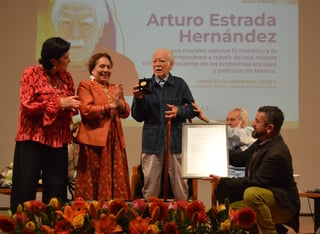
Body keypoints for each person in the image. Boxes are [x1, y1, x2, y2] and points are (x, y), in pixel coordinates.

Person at [10, 37, 81, 212]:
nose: (69, 60)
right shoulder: (31, 73)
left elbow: (69, 103)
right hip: (32, 139)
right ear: (53, 61)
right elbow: (27, 105)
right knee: (25, 187)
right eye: (66, 57)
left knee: (57, 190)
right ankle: (21, 226)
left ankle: (54, 227)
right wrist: (58, 103)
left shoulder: (66, 77)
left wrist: (69, 104)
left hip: (58, 140)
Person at [206, 106, 300, 234]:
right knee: (225, 214)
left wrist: (222, 180)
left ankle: (270, 231)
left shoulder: (276, 153)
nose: (253, 124)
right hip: (265, 199)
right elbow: (239, 159)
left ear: (270, 128)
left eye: (257, 121)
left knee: (252, 194)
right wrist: (217, 147)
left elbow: (253, 182)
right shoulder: (261, 143)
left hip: (283, 205)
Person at [131, 48, 198, 201]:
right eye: (155, 61)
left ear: (171, 65)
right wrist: (139, 99)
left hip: (176, 142)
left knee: (180, 187)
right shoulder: (145, 85)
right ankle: (150, 221)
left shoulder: (179, 84)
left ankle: (182, 220)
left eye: (162, 61)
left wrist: (179, 111)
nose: (157, 64)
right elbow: (137, 116)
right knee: (150, 186)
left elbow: (193, 109)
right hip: (152, 143)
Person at [49, 0, 138, 94]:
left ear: (100, 30)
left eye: (85, 24)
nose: (75, 34)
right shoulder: (46, 66)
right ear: (56, 27)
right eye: (66, 23)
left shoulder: (123, 67)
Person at [74, 52, 131, 201]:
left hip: (114, 139)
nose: (106, 70)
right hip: (95, 141)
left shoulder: (114, 88)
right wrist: (108, 106)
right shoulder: (86, 85)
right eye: (102, 66)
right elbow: (86, 111)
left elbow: (125, 113)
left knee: (117, 177)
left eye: (108, 67)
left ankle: (116, 211)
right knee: (94, 177)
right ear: (92, 69)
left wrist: (119, 104)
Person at [226, 108, 256, 178]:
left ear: (243, 123)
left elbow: (234, 133)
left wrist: (207, 120)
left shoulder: (249, 132)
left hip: (244, 174)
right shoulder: (226, 136)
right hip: (228, 173)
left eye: (232, 120)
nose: (228, 123)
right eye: (227, 120)